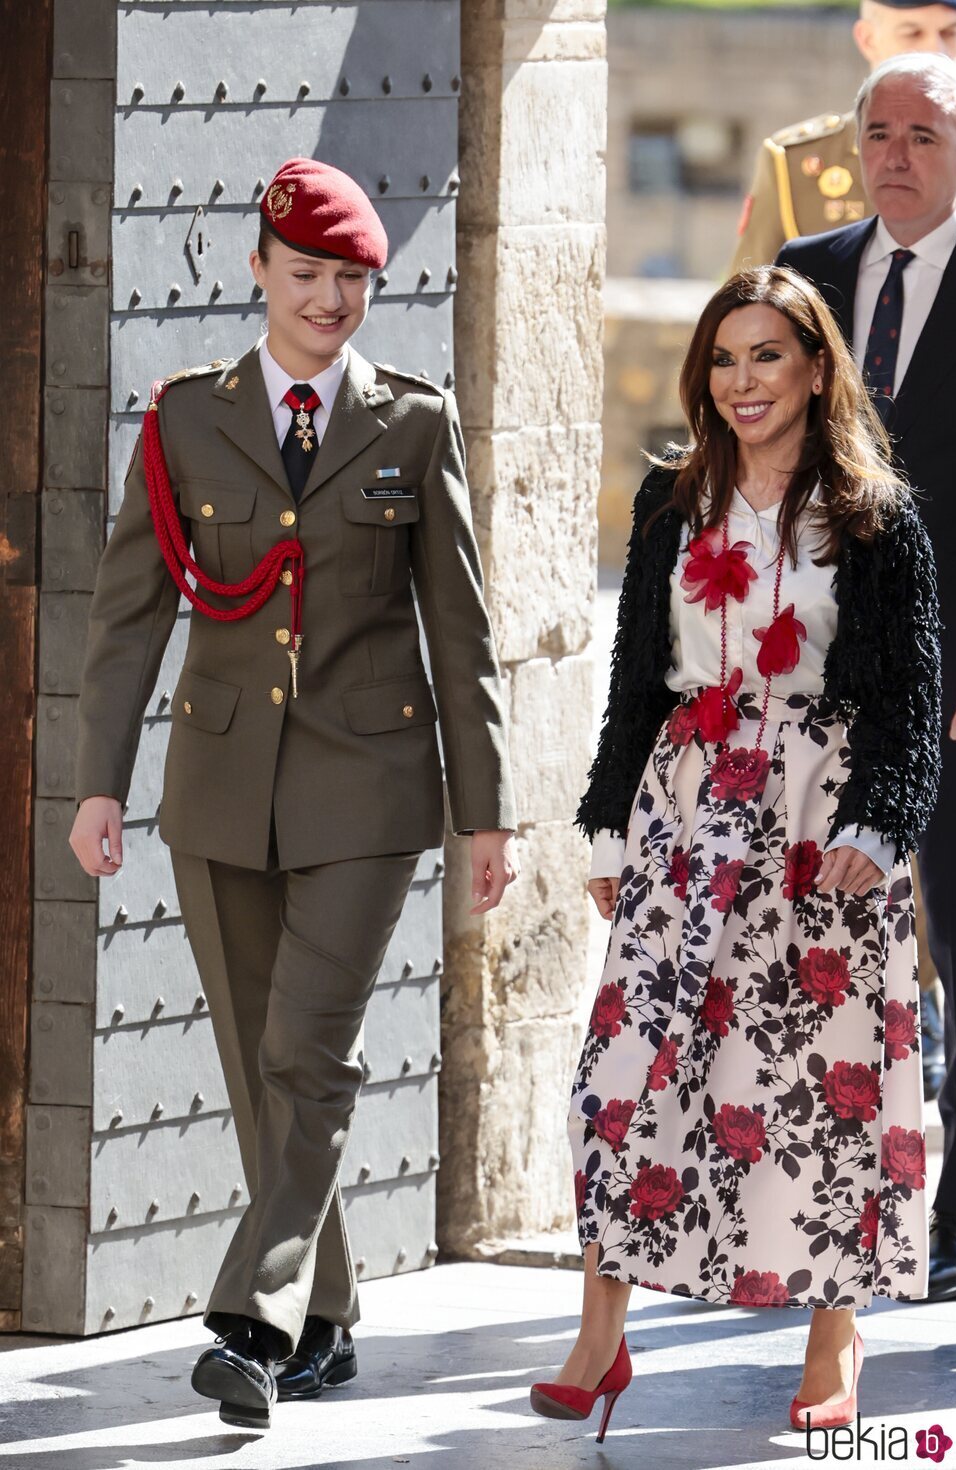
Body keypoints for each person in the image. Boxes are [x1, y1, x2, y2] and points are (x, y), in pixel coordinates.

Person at [69, 157, 519, 1429]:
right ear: (256, 267)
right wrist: (97, 785)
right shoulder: (183, 421)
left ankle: (250, 1326)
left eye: (353, 280)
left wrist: (483, 811)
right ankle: (327, 1318)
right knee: (253, 1063)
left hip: (371, 789)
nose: (330, 300)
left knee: (305, 1054)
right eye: (308, 273)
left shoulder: (412, 423)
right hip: (219, 787)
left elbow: (462, 635)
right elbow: (125, 624)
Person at [529, 265, 940, 1441]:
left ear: (816, 369)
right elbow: (630, 685)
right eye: (724, 358)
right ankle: (600, 1334)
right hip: (684, 809)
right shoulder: (670, 500)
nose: (742, 380)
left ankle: (833, 1334)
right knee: (628, 1068)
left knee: (820, 1085)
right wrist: (607, 818)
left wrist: (877, 823)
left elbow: (907, 698)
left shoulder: (872, 513)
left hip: (824, 825)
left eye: (767, 355)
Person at [778, 53, 956, 1301]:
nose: (895, 151)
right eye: (878, 129)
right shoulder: (799, 278)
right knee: (803, 935)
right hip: (810, 670)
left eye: (924, 132)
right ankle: (806, 1202)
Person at [731, 0, 956, 274]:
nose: (937, 51)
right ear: (868, 39)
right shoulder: (793, 163)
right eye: (912, 33)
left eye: (950, 33)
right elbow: (745, 300)